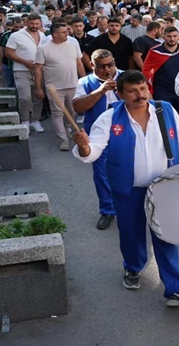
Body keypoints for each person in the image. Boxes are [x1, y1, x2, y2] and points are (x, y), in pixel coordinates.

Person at [71, 70, 179, 306]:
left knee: (167, 236)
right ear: (120, 93)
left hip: (165, 187)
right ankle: (133, 267)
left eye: (142, 88)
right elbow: (93, 152)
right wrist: (83, 146)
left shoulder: (164, 110)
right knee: (131, 234)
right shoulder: (109, 117)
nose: (139, 94)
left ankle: (175, 288)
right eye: (132, 91)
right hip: (127, 189)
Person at [72, 50, 121, 230]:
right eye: (102, 66)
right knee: (101, 174)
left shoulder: (126, 76)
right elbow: (78, 107)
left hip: (126, 134)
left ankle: (132, 209)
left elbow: (145, 100)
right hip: (98, 136)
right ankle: (108, 211)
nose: (108, 69)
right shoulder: (85, 82)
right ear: (93, 66)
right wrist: (100, 91)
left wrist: (120, 90)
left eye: (111, 64)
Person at [35, 23, 86, 151]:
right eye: (63, 32)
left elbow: (79, 63)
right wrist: (38, 87)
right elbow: (38, 69)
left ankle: (67, 127)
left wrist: (84, 81)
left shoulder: (73, 45)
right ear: (55, 34)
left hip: (73, 85)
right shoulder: (43, 49)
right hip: (54, 87)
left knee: (72, 111)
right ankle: (63, 139)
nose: (67, 33)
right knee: (57, 113)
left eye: (67, 31)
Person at [5, 13, 45, 133]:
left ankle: (36, 120)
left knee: (38, 97)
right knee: (25, 98)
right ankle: (25, 120)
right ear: (26, 22)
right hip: (21, 70)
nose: (34, 26)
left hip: (39, 71)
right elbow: (8, 53)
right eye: (32, 23)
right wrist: (24, 62)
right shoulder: (16, 35)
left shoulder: (43, 35)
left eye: (37, 24)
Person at [143, 26, 179, 116]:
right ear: (163, 37)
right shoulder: (155, 52)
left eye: (175, 36)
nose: (172, 39)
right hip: (162, 91)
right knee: (163, 117)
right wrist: (147, 90)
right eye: (169, 36)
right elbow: (146, 72)